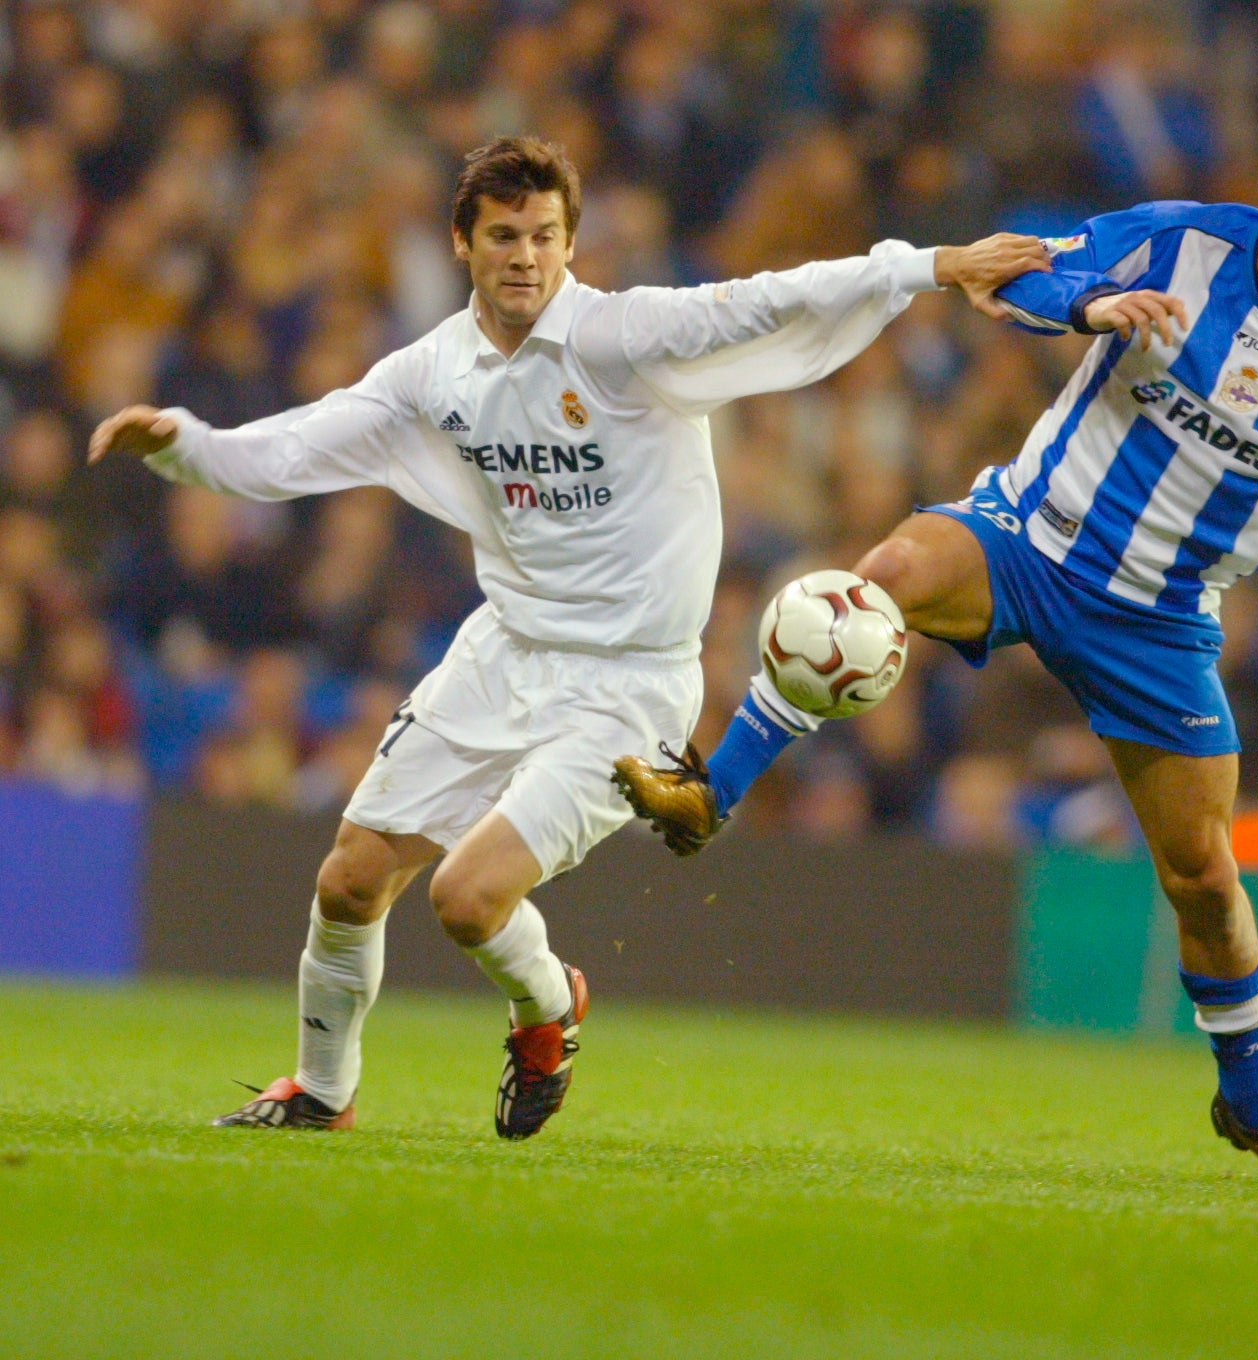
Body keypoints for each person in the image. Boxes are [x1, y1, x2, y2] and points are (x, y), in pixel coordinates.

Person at [613, 121, 1258, 1190]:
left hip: (1158, 620)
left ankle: (1251, 1106)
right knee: (883, 576)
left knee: (1200, 877)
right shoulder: (1180, 243)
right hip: (1027, 537)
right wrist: (1089, 305)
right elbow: (1024, 276)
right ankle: (708, 790)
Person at [88, 136, 1046, 1139]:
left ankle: (548, 1008)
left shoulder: (624, 338)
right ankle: (321, 1092)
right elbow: (310, 437)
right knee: (349, 878)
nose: (526, 256)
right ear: (463, 242)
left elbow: (772, 298)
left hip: (628, 688)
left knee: (464, 900)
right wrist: (189, 448)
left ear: (569, 243)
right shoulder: (433, 371)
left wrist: (926, 265)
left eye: (545, 235)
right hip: (503, 649)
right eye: (504, 235)